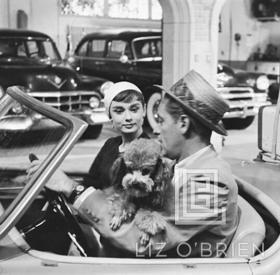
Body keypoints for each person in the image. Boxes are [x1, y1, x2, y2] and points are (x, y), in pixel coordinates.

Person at [42, 70, 239, 258]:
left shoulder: (210, 182)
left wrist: (72, 189)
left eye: (161, 120)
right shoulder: (179, 166)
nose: (155, 129)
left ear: (183, 124)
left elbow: (141, 241)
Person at [27, 81, 149, 190]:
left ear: (144, 110)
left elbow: (125, 206)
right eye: (119, 111)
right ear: (110, 116)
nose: (128, 117)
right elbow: (91, 185)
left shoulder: (150, 152)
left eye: (134, 109)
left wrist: (68, 185)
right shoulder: (111, 144)